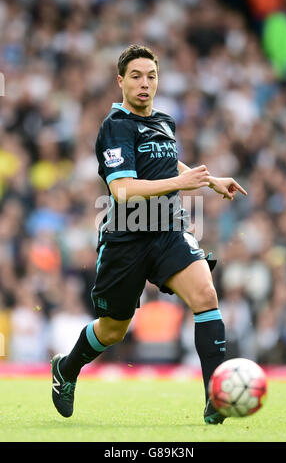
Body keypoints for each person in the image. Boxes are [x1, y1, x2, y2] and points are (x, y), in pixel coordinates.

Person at [51, 45, 247, 424]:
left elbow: (165, 159)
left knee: (206, 294)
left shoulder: (164, 121)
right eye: (137, 76)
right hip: (127, 237)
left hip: (168, 229)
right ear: (120, 81)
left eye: (152, 76)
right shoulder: (115, 126)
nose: (145, 83)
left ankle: (216, 398)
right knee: (113, 330)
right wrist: (183, 182)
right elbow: (121, 189)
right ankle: (67, 368)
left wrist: (210, 181)